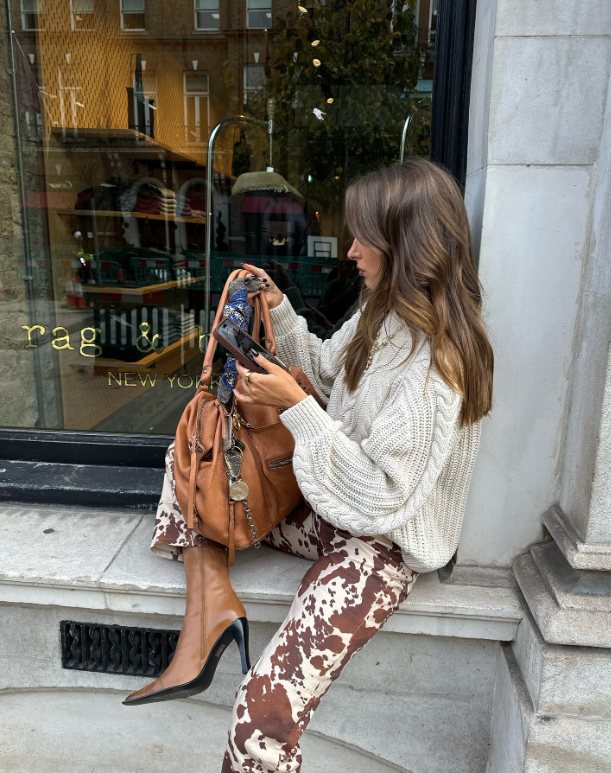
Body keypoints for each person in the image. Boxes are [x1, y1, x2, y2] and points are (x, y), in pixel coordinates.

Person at [124, 158, 494, 773]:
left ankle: (214, 628)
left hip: (380, 548)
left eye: (363, 237)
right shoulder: (382, 314)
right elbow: (324, 370)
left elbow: (382, 497)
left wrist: (295, 407)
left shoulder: (440, 364)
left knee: (258, 725)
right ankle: (209, 614)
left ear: (406, 244)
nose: (350, 251)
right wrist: (279, 309)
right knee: (197, 457)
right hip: (327, 507)